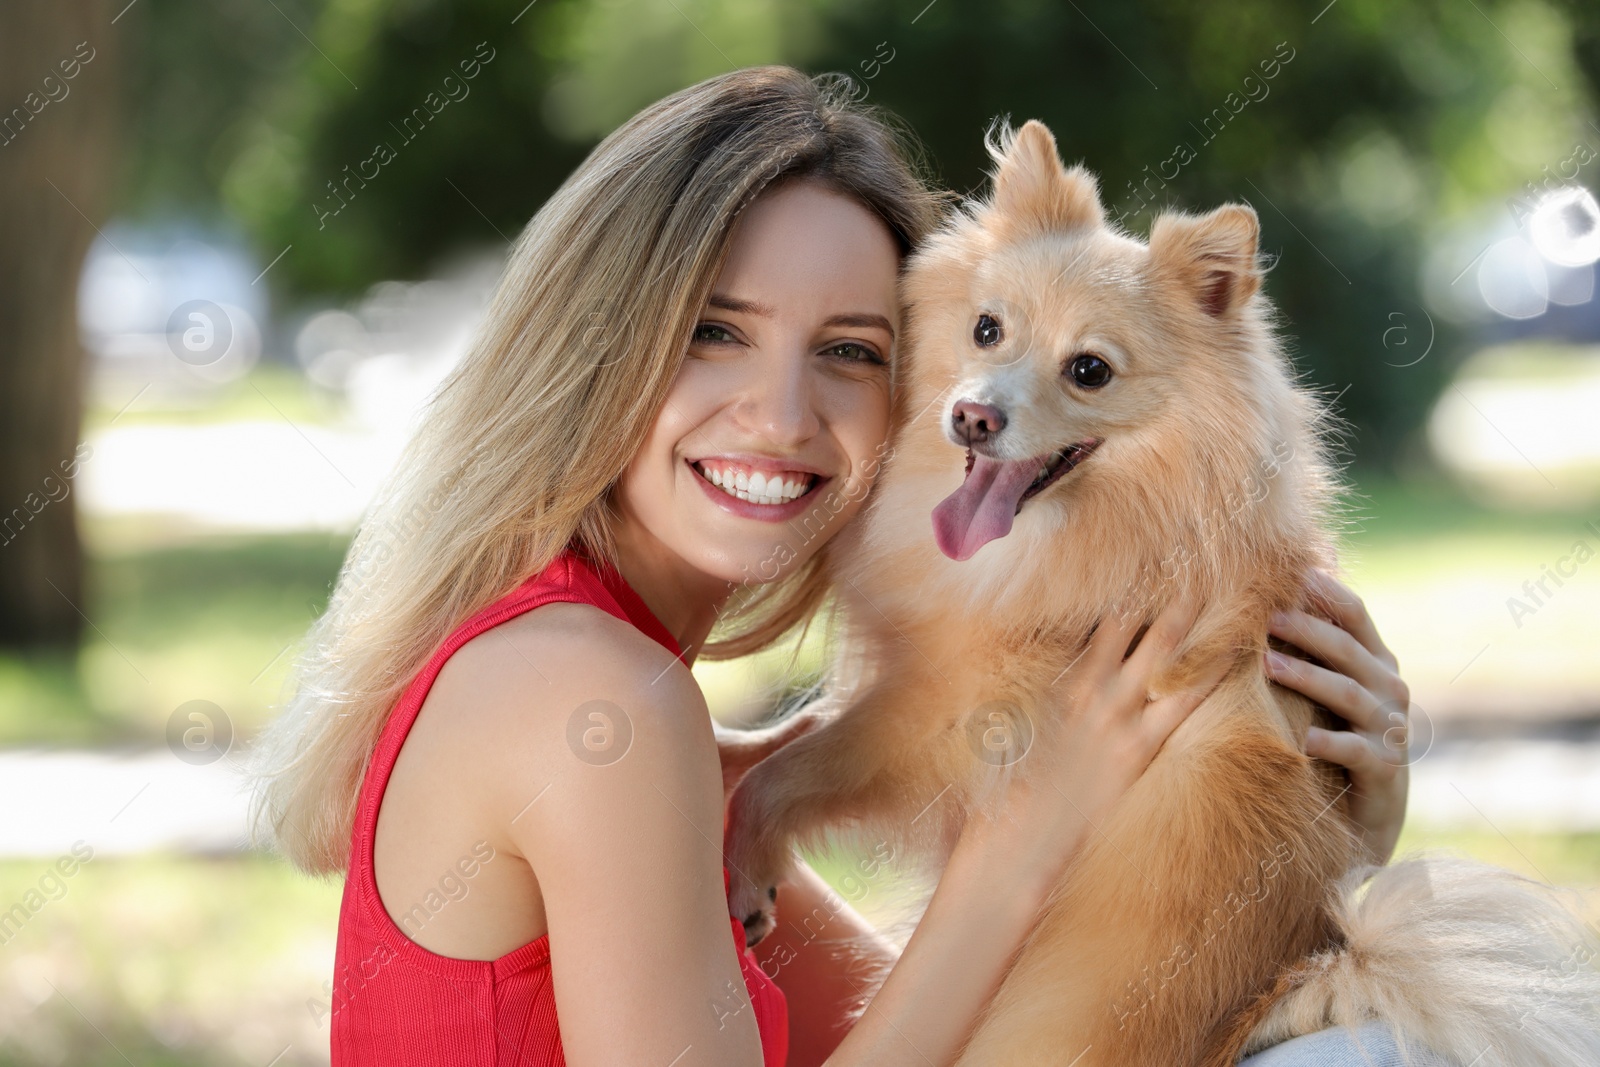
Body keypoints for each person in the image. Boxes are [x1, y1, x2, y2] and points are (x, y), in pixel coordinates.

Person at [250, 65, 1419, 1067]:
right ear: (595, 343)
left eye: (851, 351)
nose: (781, 412)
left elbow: (966, 1024)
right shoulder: (588, 701)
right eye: (715, 330)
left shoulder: (638, 720)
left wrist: (1299, 837)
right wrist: (1022, 834)